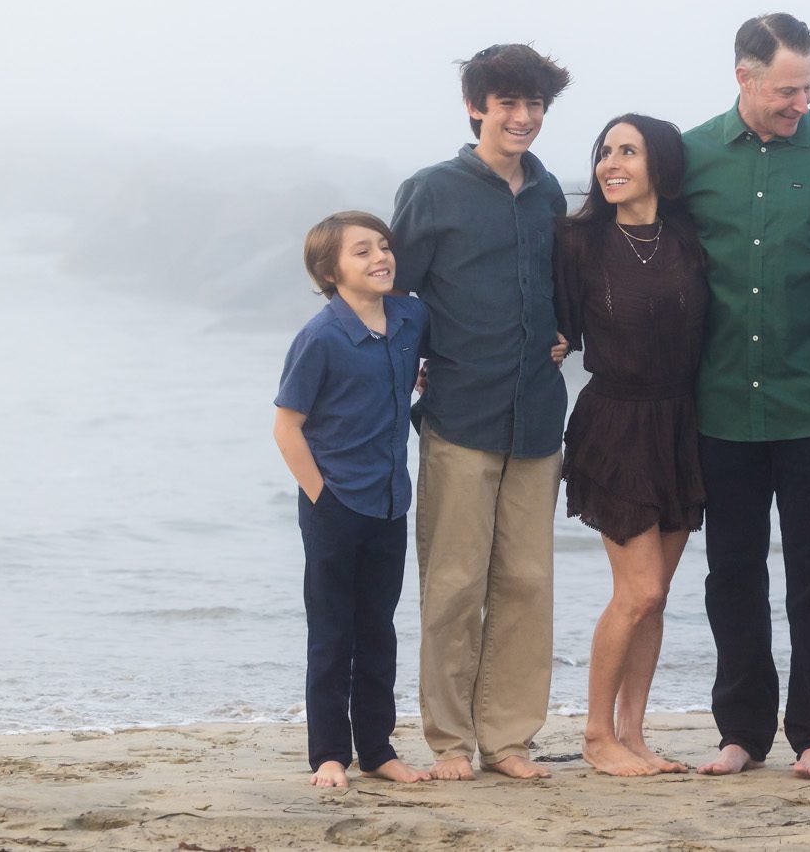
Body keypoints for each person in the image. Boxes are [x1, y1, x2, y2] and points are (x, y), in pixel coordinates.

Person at [681, 13, 810, 781]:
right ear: (745, 77)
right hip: (721, 403)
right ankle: (740, 731)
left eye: (808, 88)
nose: (799, 102)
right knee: (731, 571)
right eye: (785, 89)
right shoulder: (694, 155)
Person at [390, 43, 573, 781]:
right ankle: (448, 740)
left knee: (527, 580)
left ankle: (508, 738)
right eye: (509, 103)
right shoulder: (432, 189)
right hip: (459, 412)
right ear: (476, 106)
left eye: (534, 105)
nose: (523, 117)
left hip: (536, 413)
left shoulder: (549, 190)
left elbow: (562, 280)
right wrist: (411, 372)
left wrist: (570, 331)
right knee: (455, 583)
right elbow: (397, 295)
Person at [555, 114, 710, 777]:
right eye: (605, 152)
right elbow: (551, 323)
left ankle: (633, 733)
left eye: (628, 151)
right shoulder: (577, 241)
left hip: (681, 423)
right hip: (614, 423)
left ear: (660, 165)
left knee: (659, 593)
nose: (611, 163)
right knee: (638, 590)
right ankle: (595, 735)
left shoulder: (690, 239)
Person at [271, 211, 431, 788]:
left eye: (383, 246)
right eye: (361, 251)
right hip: (336, 505)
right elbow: (287, 427)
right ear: (330, 270)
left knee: (379, 630)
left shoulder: (411, 315)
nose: (380, 257)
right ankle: (330, 756)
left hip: (391, 502)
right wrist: (323, 498)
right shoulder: (320, 337)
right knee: (333, 633)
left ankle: (379, 751)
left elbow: (447, 356)